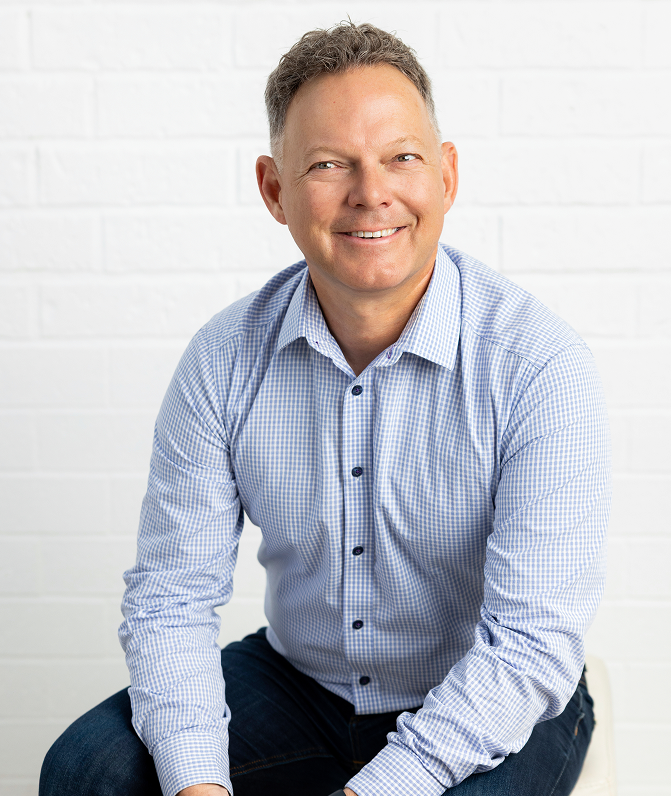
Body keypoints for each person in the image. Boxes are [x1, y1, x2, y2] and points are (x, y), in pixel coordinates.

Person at [40, 21, 610, 796]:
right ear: (274, 190)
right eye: (328, 164)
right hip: (302, 686)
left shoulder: (539, 365)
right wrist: (196, 785)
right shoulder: (223, 360)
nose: (371, 192)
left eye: (401, 157)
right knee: (86, 770)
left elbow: (530, 642)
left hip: (489, 684)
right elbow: (172, 598)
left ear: (446, 175)